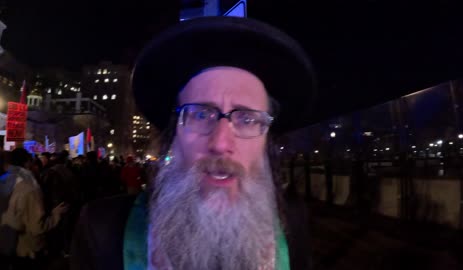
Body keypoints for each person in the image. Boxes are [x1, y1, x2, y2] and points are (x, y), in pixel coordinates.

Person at [70, 16, 317, 270]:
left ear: (267, 140)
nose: (220, 143)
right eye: (200, 114)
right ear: (173, 135)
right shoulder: (102, 229)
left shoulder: (291, 223)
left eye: (246, 118)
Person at [1, 148, 68, 269]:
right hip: (28, 251)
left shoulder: (5, 182)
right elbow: (37, 227)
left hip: (9, 249)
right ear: (27, 162)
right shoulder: (30, 188)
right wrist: (55, 215)